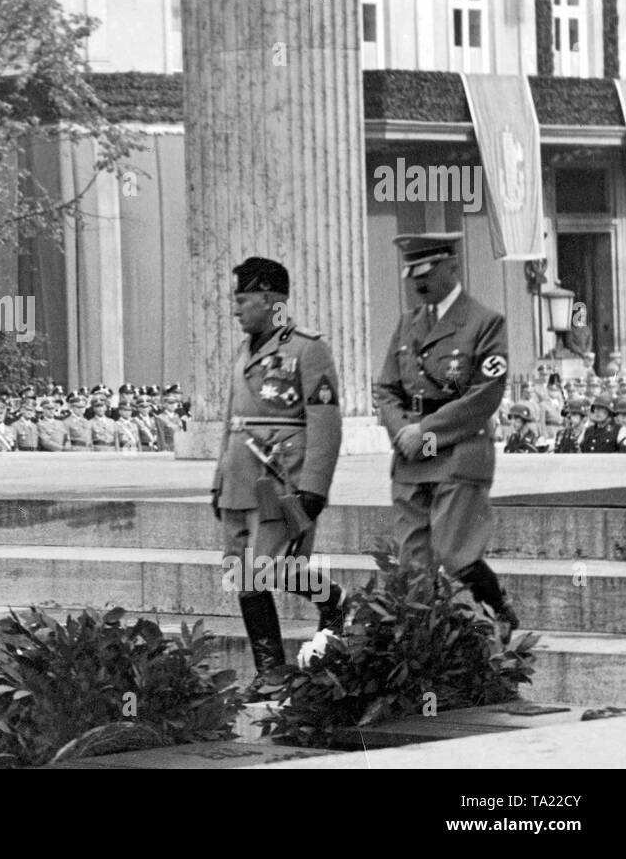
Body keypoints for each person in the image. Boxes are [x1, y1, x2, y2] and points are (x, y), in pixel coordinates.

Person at [373, 232, 519, 641]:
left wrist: (427, 431)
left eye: (426, 270)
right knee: (411, 563)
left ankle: (498, 610)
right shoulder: (407, 323)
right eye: (411, 273)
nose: (417, 282)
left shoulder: (485, 322)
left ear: (451, 266)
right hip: (410, 454)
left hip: (459, 448)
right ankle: (428, 645)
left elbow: (485, 394)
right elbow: (385, 387)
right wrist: (402, 429)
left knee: (456, 553)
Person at [211, 256, 346, 689]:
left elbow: (326, 422)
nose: (235, 309)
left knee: (264, 567)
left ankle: (335, 601)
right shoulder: (243, 352)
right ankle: (270, 670)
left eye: (243, 299)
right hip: (238, 481)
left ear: (270, 298)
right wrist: (218, 480)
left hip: (279, 482)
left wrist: (315, 487)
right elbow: (234, 419)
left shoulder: (307, 348)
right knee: (242, 572)